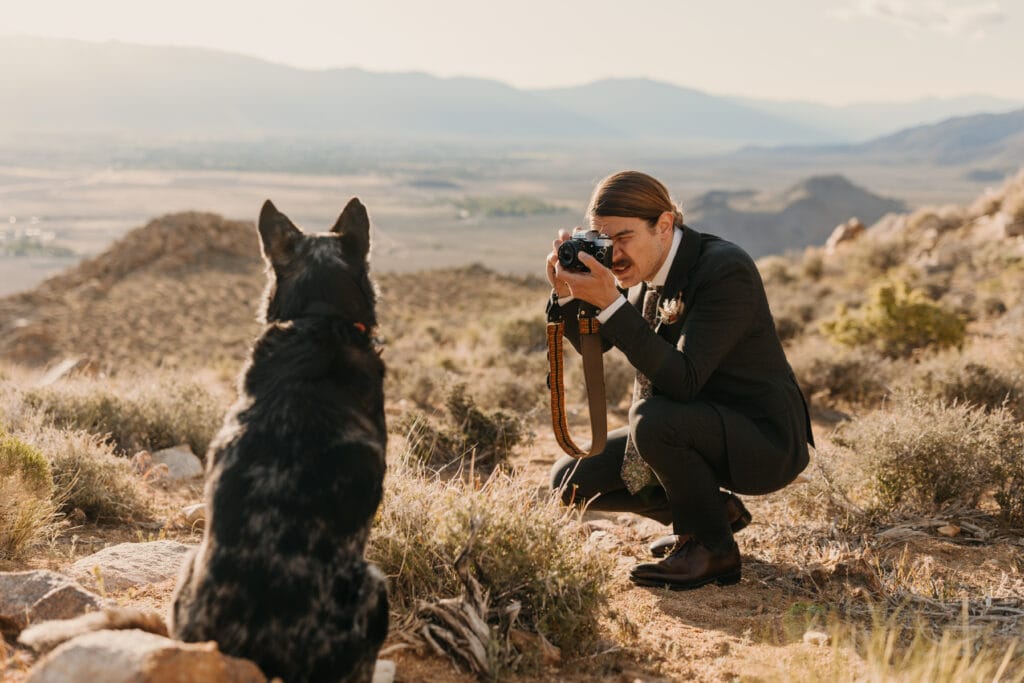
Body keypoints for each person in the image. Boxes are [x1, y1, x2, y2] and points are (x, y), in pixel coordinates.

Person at [546, 170, 813, 590]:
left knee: (653, 420)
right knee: (571, 481)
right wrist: (568, 294)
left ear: (664, 225)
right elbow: (596, 348)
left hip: (763, 440)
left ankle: (712, 550)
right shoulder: (643, 272)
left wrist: (612, 303)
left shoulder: (724, 269)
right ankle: (711, 514)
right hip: (695, 425)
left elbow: (684, 380)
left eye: (623, 238)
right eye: (602, 240)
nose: (612, 255)